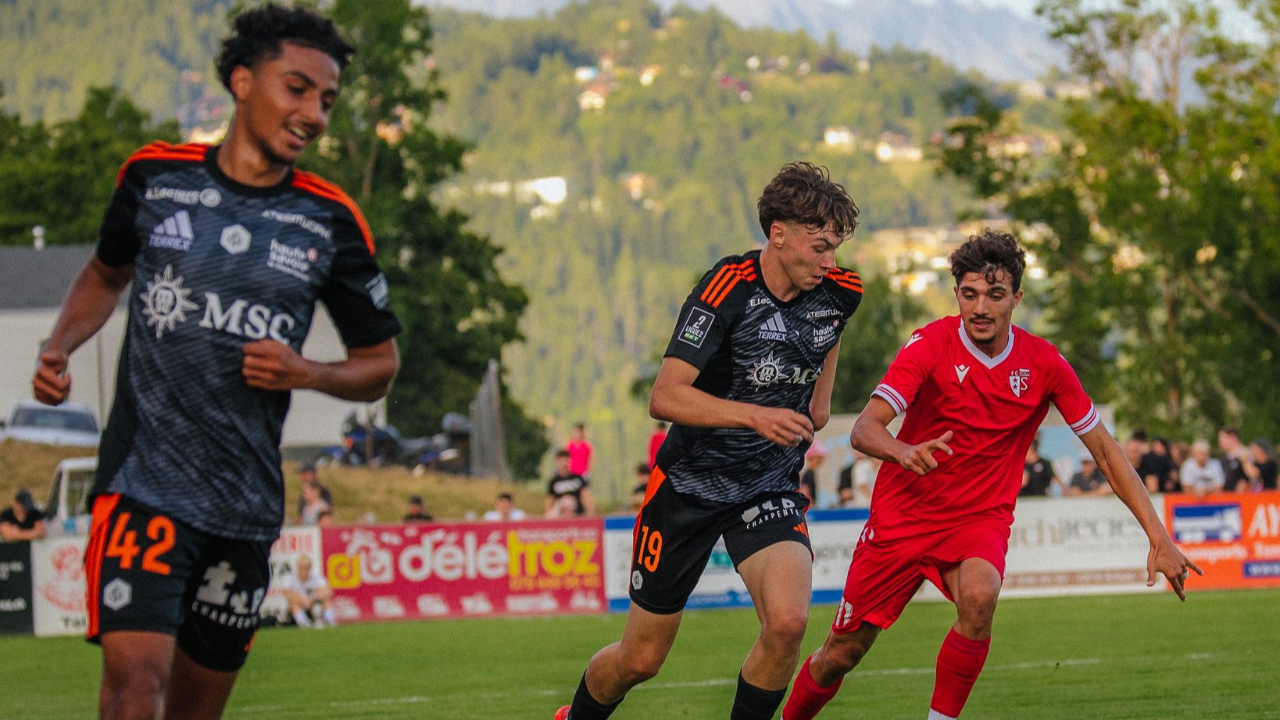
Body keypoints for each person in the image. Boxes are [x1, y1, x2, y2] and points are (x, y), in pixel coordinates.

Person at [29, 7, 402, 719]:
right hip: (143, 489)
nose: (313, 114)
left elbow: (380, 363)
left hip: (245, 509)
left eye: (326, 100)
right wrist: (58, 347)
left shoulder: (332, 221)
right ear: (241, 81)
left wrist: (309, 372)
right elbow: (106, 275)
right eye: (296, 88)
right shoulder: (153, 178)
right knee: (135, 690)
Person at [782, 229, 1199, 720]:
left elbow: (1106, 452)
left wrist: (1158, 536)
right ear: (957, 292)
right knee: (840, 655)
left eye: (995, 295)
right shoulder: (929, 344)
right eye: (970, 293)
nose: (981, 307)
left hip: (979, 518)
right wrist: (903, 450)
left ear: (1016, 299)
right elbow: (866, 430)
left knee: (979, 596)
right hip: (902, 518)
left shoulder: (1044, 363)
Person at [554, 161, 862, 720]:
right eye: (819, 246)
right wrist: (756, 417)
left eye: (835, 247)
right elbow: (665, 397)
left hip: (767, 487)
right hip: (687, 490)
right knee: (640, 660)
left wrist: (814, 408)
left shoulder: (842, 292)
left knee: (789, 624)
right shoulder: (727, 287)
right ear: (778, 234)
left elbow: (825, 352)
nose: (830, 261)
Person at [278, 555, 334, 628]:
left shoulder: (316, 576)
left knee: (326, 601)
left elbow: (327, 590)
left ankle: (330, 622)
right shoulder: (290, 578)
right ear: (297, 567)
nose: (304, 570)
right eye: (301, 567)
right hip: (299, 604)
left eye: (306, 567)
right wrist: (303, 600)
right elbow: (287, 593)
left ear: (310, 567)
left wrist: (312, 599)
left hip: (313, 604)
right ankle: (304, 623)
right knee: (293, 604)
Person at [545, 449, 594, 517]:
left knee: (569, 501)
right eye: (562, 460)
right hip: (560, 514)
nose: (564, 463)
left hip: (577, 513)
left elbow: (585, 495)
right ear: (557, 461)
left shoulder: (578, 478)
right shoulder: (554, 481)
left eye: (566, 460)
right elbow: (549, 500)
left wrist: (590, 512)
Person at [1217, 427, 1249, 492]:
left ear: (1232, 437)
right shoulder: (1223, 460)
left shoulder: (1248, 454)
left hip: (1245, 498)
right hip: (1227, 498)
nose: (1220, 442)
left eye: (1222, 439)